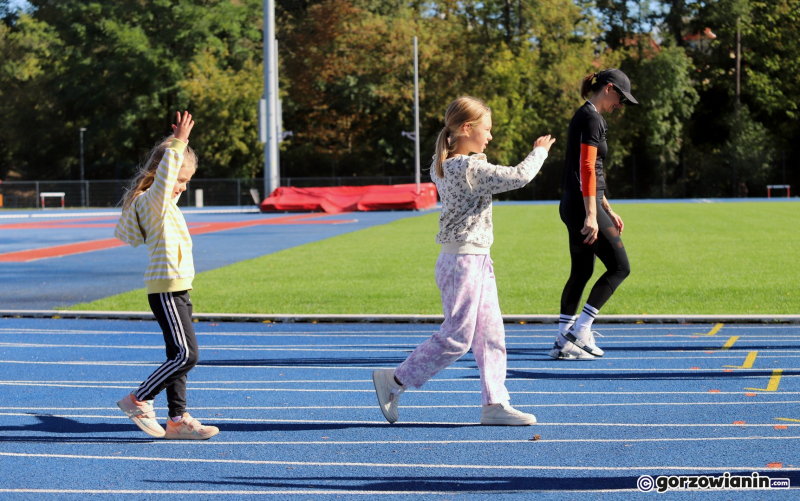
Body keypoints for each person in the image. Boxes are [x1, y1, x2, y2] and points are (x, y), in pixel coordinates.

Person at [372, 96, 556, 425]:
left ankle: (494, 404)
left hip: (475, 259)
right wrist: (539, 150)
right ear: (467, 128)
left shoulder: (448, 163)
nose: (490, 136)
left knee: (491, 336)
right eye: (486, 129)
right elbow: (518, 176)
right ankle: (395, 380)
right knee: (457, 338)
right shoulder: (467, 167)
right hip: (463, 263)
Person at [114, 111, 219, 440]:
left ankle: (177, 418)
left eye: (187, 182)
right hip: (166, 290)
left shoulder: (165, 206)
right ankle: (139, 398)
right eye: (180, 179)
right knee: (188, 355)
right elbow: (164, 180)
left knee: (179, 357)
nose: (183, 188)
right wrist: (180, 142)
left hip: (178, 289)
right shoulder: (153, 202)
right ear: (164, 174)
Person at [549, 69, 637, 360]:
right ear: (608, 88)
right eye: (620, 98)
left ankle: (563, 339)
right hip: (581, 205)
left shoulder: (586, 115)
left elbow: (591, 169)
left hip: (575, 203)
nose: (620, 105)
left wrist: (607, 208)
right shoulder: (592, 118)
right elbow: (586, 168)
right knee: (620, 267)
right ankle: (581, 328)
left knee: (583, 271)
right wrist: (592, 214)